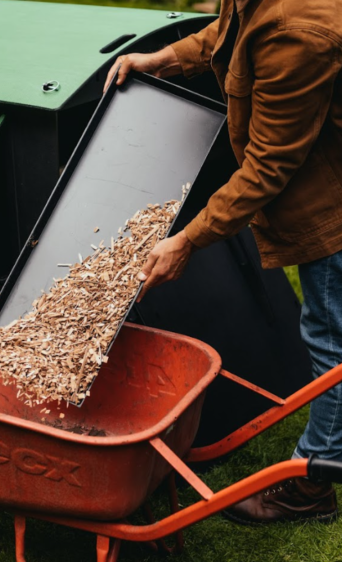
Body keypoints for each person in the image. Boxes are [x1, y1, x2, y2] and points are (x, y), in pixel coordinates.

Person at [105, 0, 342, 524]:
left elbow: (267, 166)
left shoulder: (299, 32)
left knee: (331, 344)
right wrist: (160, 58)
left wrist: (187, 240)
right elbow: (225, 35)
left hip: (333, 207)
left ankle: (313, 484)